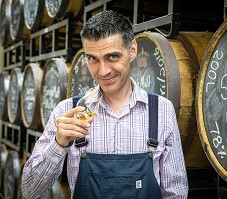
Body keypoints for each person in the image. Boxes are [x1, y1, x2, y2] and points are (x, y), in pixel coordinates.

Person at [22, 10, 189, 198]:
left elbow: (176, 193)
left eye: (112, 57)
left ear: (132, 50)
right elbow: (29, 191)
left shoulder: (161, 111)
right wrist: (58, 144)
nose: (102, 71)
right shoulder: (68, 111)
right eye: (93, 58)